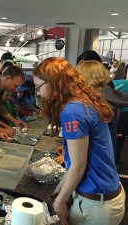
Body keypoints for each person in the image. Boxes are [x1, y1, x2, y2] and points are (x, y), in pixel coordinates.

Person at [34, 57, 125, 225]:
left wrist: (60, 202)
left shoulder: (72, 110)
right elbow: (77, 162)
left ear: (54, 83)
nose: (38, 93)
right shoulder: (82, 102)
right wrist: (59, 192)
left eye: (38, 87)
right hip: (105, 196)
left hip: (96, 205)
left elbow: (78, 165)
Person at [76, 60, 128, 166]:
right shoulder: (107, 95)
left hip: (97, 160)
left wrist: (73, 152)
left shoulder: (99, 101)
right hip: (106, 155)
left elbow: (94, 137)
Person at [0, 65, 27, 138]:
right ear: (7, 78)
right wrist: (3, 130)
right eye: (15, 85)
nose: (16, 89)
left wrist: (15, 121)